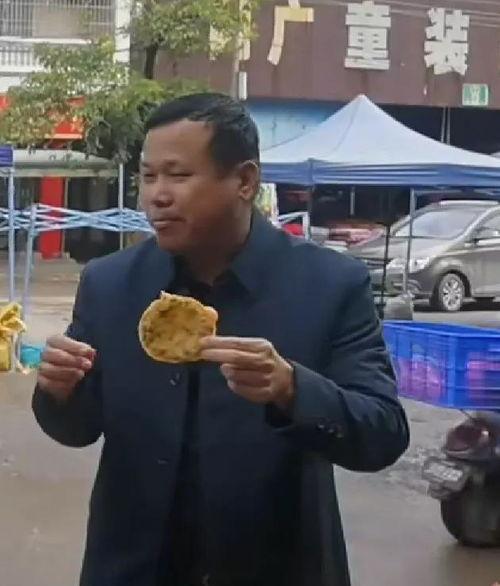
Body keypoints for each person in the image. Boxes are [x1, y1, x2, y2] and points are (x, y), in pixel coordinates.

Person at [33, 93, 409, 586]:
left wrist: (291, 389)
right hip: (133, 569)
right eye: (148, 176)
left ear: (245, 181)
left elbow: (382, 433)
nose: (156, 196)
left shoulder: (330, 285)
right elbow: (78, 427)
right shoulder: (110, 284)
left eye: (178, 175)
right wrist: (58, 391)